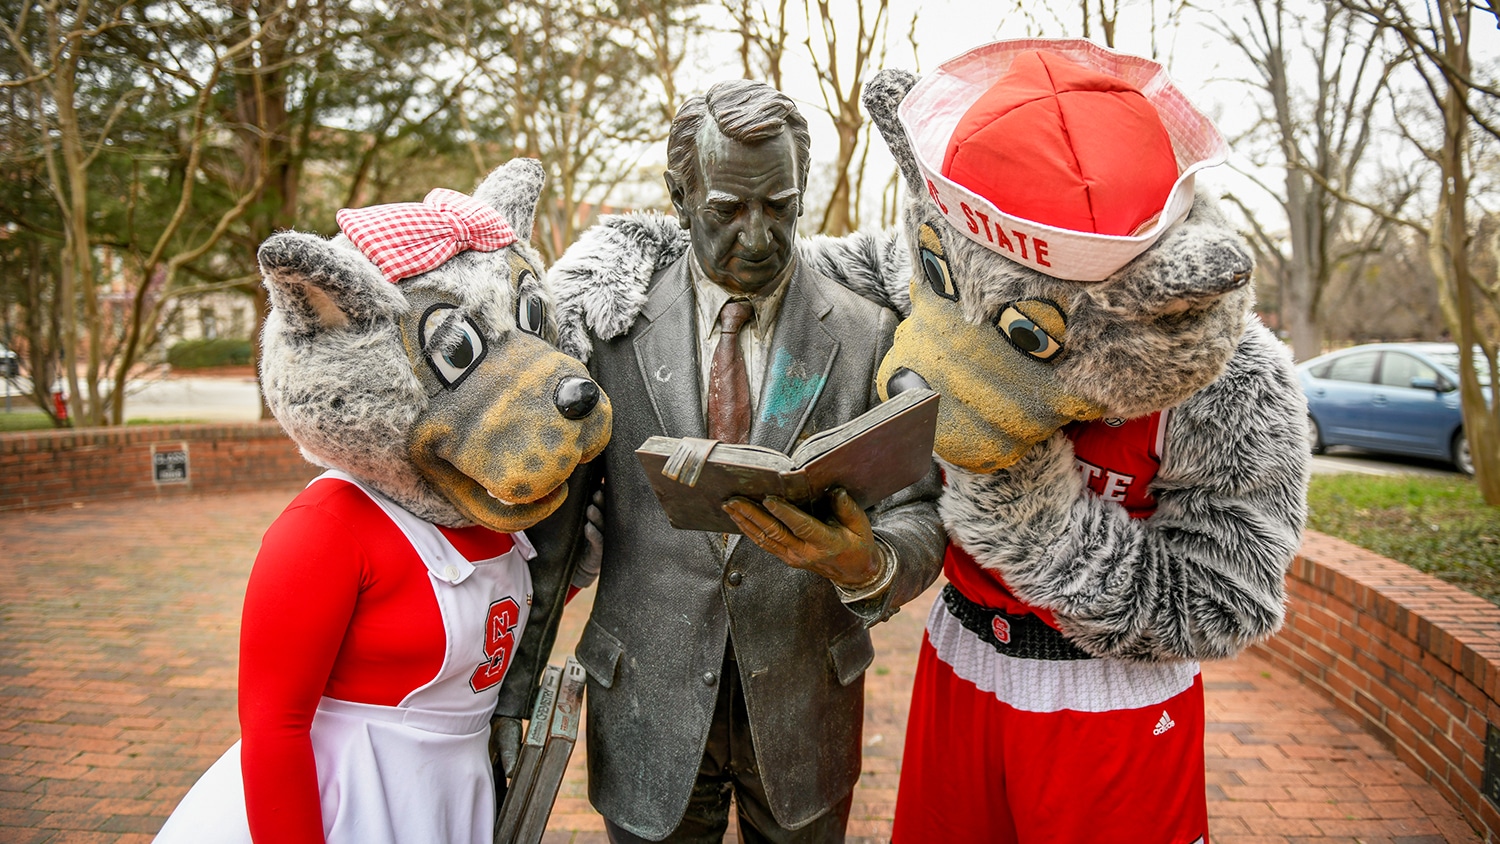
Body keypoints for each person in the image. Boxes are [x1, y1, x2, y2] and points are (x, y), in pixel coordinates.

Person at [503, 80, 946, 842]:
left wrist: (868, 563)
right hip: (645, 704)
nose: (756, 235)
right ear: (680, 196)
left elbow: (920, 508)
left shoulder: (870, 332)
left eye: (779, 206)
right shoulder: (609, 332)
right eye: (727, 210)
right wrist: (513, 699)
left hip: (806, 711)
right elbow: (556, 541)